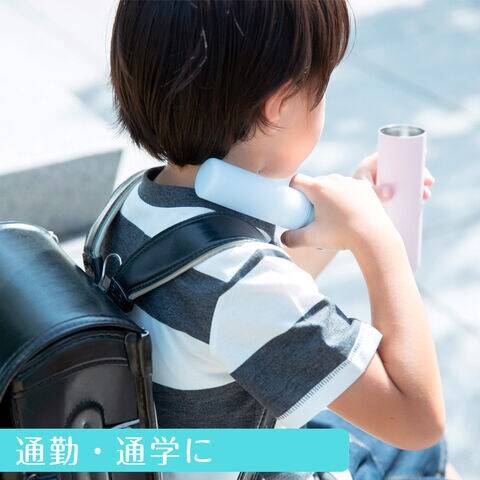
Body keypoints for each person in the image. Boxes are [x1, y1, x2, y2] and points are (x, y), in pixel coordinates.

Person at [104, 1, 460, 479]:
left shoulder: (134, 203)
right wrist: (379, 240)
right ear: (280, 102)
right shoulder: (247, 286)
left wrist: (334, 230)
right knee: (419, 456)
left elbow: (243, 315)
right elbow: (417, 420)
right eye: (321, 86)